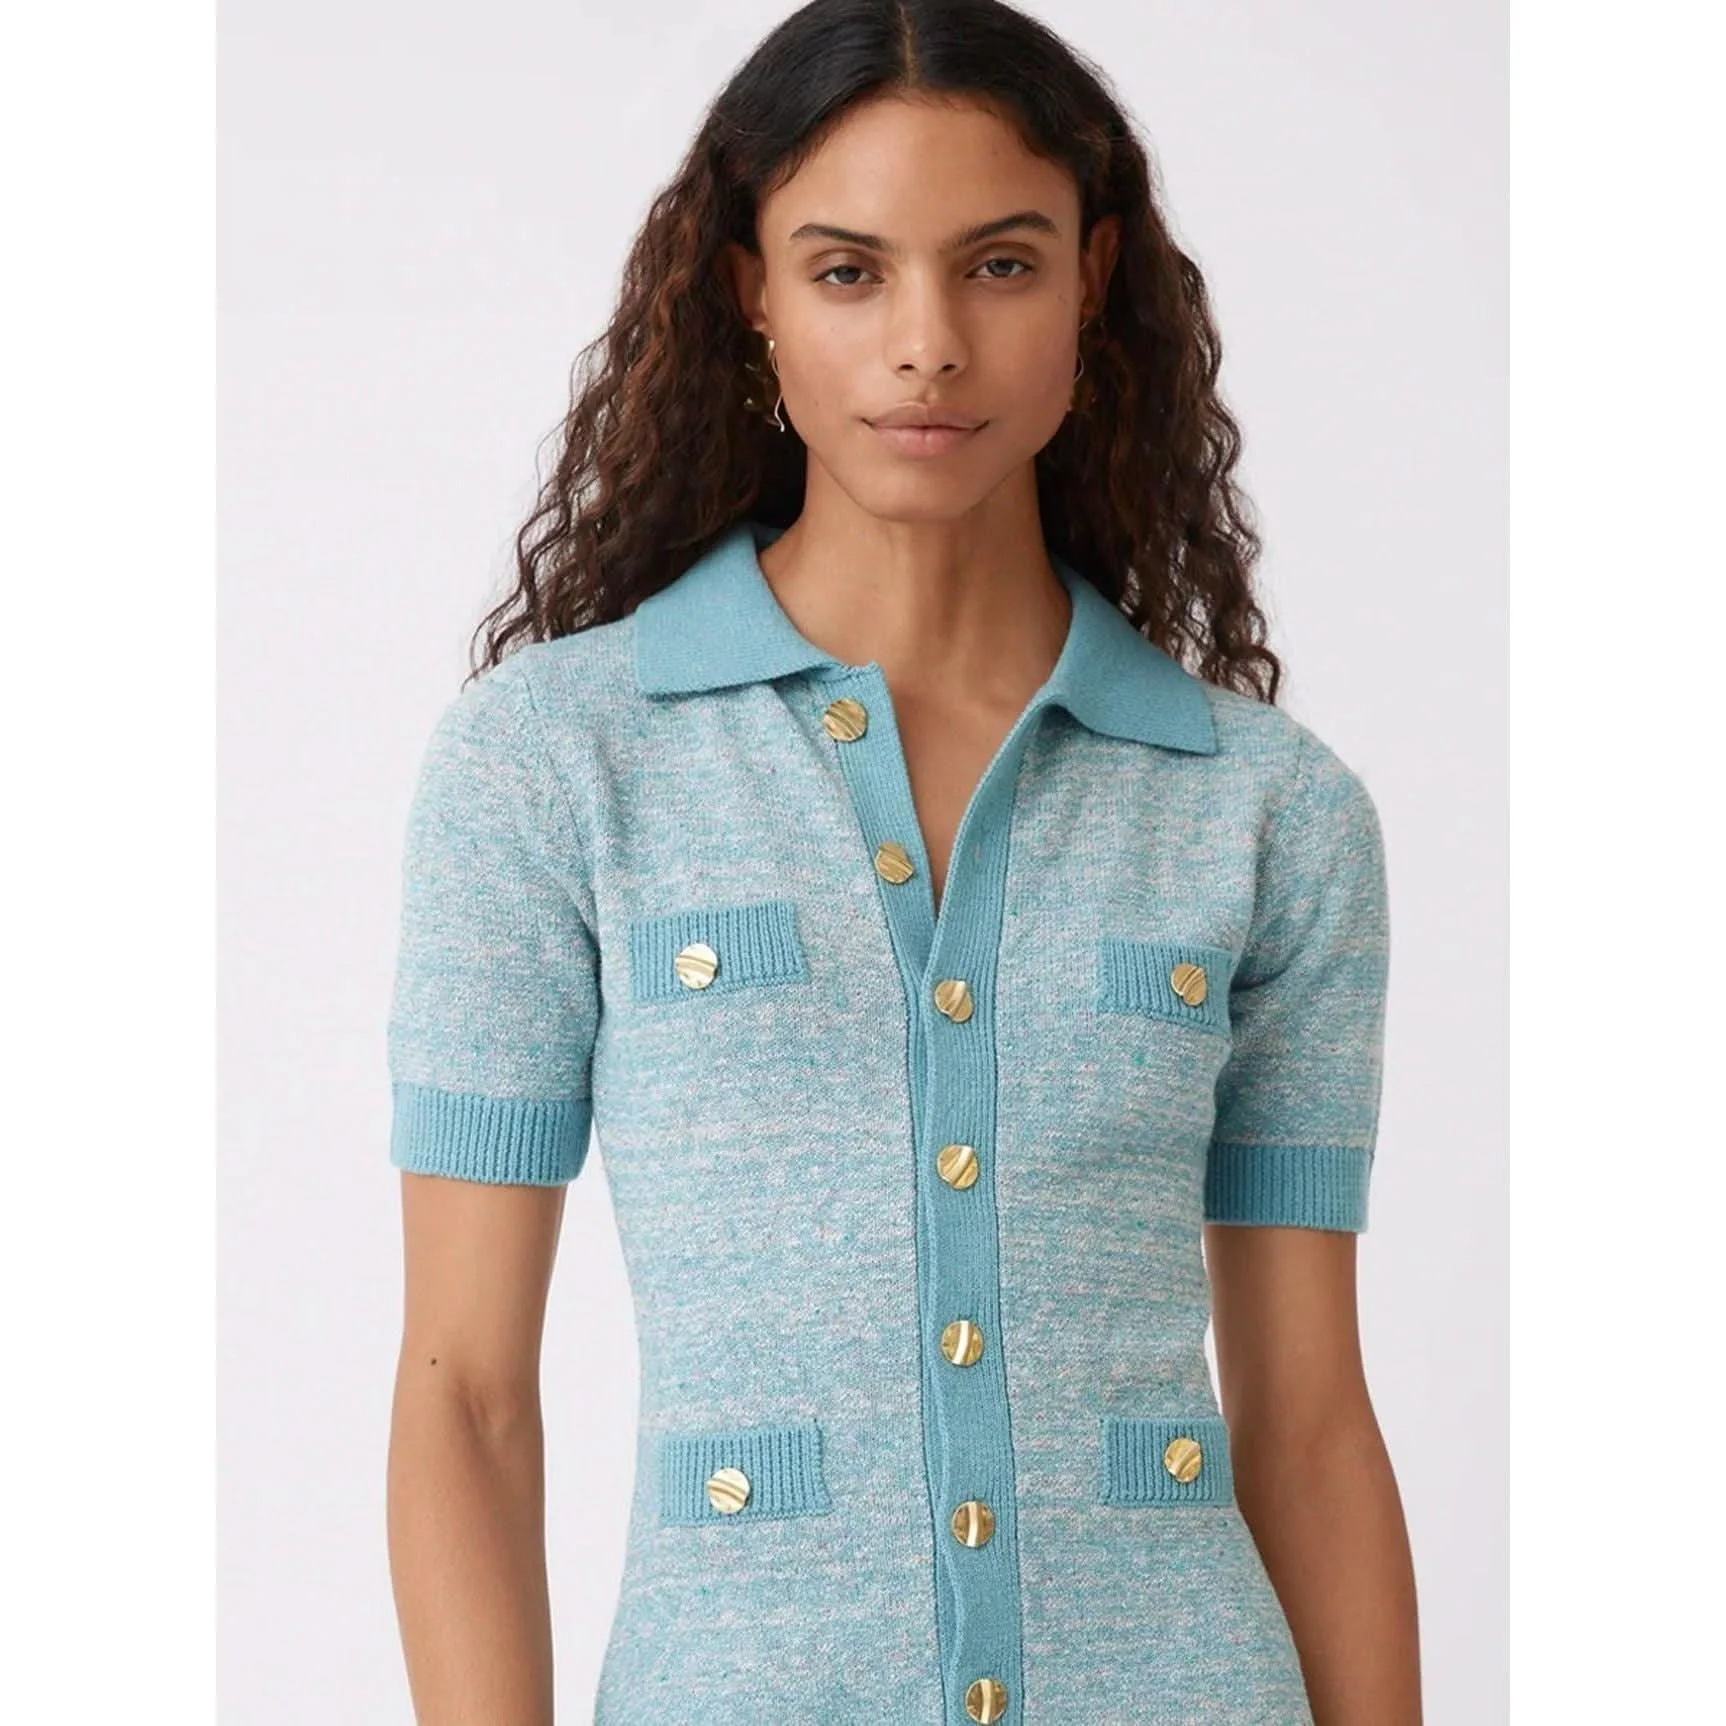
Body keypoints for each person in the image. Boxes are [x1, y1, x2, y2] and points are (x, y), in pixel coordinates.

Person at [383, 1, 1421, 1721]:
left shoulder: (1264, 808)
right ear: (751, 294)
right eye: (849, 272)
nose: (926, 345)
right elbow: (465, 1396)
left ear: (1091, 282)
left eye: (998, 267)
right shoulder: (555, 765)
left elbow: (1308, 1420)